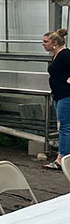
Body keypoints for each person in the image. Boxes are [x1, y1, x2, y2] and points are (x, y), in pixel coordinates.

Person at [42, 28, 70, 171]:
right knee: (64, 127)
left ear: (54, 43)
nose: (43, 44)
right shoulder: (57, 55)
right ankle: (64, 156)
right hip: (59, 95)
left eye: (45, 42)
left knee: (65, 127)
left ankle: (62, 158)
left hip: (66, 95)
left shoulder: (65, 54)